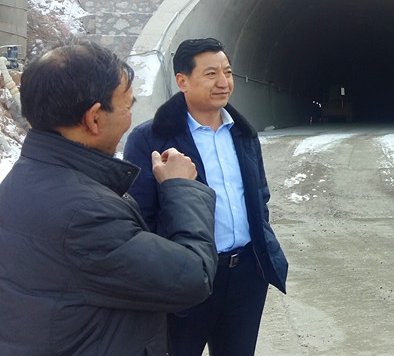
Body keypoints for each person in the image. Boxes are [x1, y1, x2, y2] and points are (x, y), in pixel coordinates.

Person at [0, 41, 218, 354]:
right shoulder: (86, 215)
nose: (130, 118)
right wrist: (182, 187)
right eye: (127, 107)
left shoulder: (24, 178)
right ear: (94, 119)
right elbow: (192, 277)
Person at [124, 37, 288, 355]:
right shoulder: (151, 139)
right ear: (182, 81)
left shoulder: (243, 133)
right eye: (211, 74)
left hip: (246, 278)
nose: (223, 82)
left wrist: (260, 257)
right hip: (186, 281)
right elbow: (141, 217)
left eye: (227, 72)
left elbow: (259, 197)